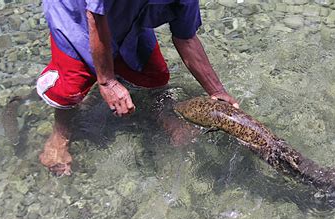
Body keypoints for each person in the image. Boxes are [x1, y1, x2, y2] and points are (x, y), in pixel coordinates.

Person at [36, 0, 239, 176]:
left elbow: (185, 37)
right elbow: (95, 18)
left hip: (130, 16)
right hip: (77, 16)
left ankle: (162, 112)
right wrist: (107, 81)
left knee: (155, 76)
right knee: (71, 87)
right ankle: (59, 135)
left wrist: (216, 91)